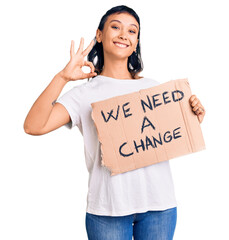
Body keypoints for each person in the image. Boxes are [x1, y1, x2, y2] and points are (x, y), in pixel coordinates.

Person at [24, 5, 206, 240]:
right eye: (115, 27)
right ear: (99, 35)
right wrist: (63, 77)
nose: (123, 35)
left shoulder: (153, 88)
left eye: (132, 31)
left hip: (159, 206)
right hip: (107, 209)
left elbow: (166, 137)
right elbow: (33, 126)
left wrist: (192, 117)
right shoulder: (84, 94)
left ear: (136, 41)